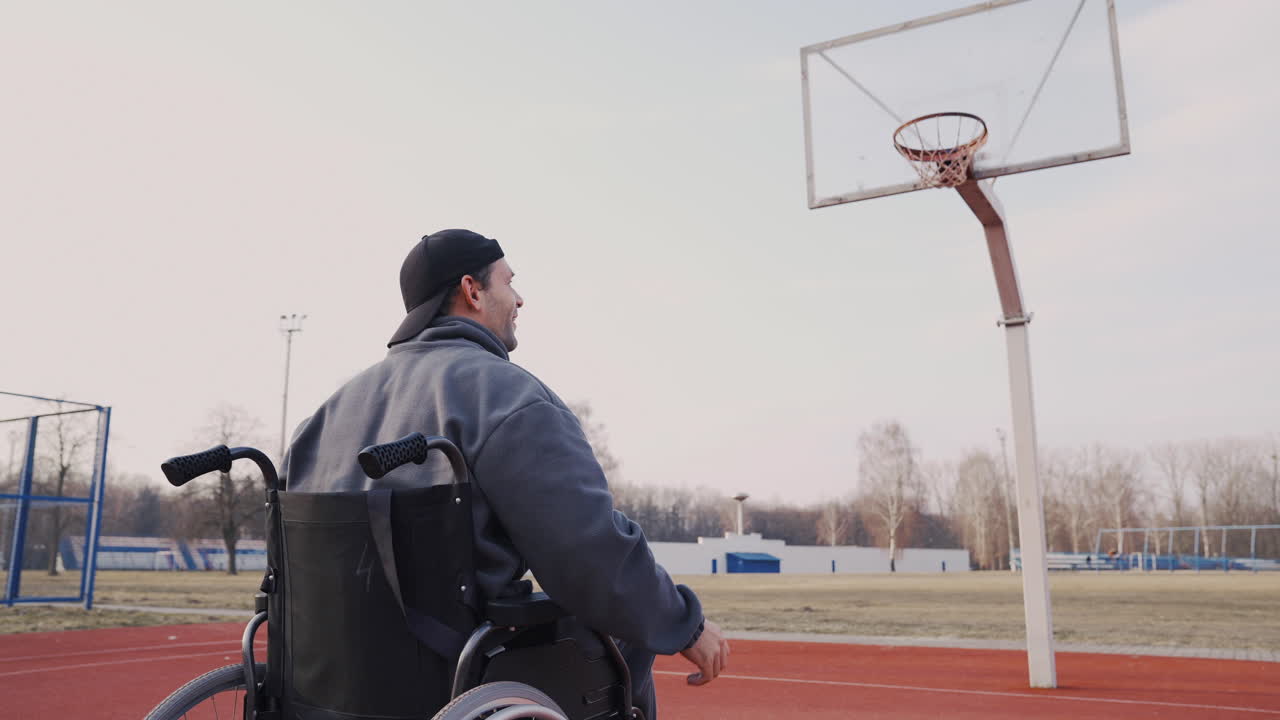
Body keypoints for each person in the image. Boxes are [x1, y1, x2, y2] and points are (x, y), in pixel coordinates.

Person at [283, 229, 728, 719]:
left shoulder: (326, 415)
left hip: (328, 680)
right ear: (473, 291)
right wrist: (684, 624)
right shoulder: (506, 397)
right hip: (454, 673)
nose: (520, 299)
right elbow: (588, 553)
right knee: (624, 631)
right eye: (510, 283)